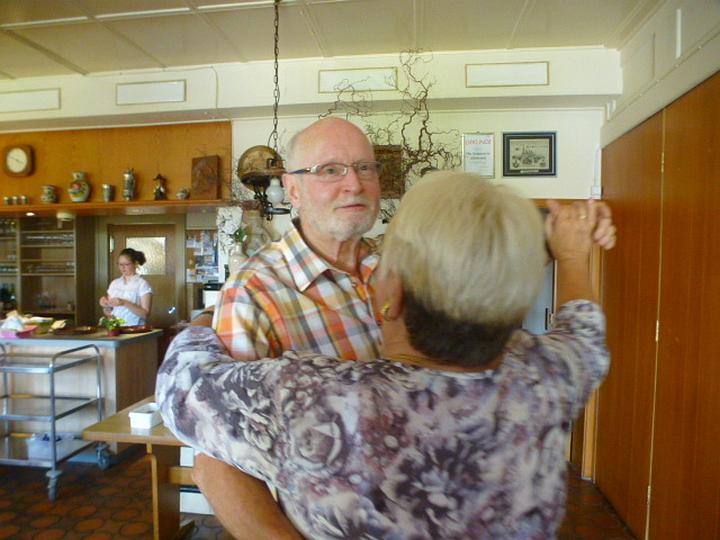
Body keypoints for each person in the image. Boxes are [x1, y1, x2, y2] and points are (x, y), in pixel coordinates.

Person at [189, 118, 616, 538]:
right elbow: (217, 457)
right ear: (292, 188)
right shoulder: (252, 292)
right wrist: (570, 250)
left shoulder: (401, 260)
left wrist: (548, 242)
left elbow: (193, 394)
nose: (354, 184)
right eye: (330, 170)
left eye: (365, 168)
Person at [99, 247, 152, 325]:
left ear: (135, 264)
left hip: (136, 328)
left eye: (126, 264)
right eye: (120, 264)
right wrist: (105, 305)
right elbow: (110, 312)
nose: (122, 267)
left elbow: (145, 314)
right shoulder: (114, 283)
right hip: (117, 328)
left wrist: (124, 302)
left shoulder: (142, 284)